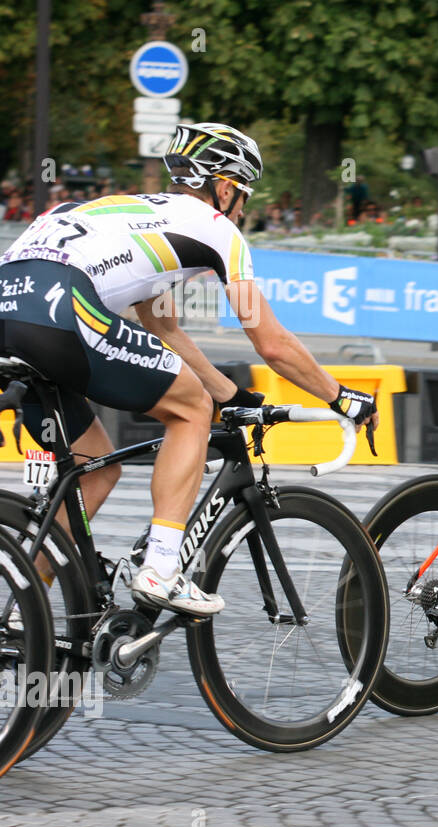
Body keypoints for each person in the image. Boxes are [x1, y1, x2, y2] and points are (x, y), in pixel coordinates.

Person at [0, 122, 378, 615]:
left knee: (96, 469)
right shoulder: (219, 230)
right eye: (243, 195)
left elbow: (161, 326)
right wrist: (341, 397)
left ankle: (21, 615)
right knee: (189, 409)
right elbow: (272, 344)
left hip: (11, 312)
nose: (243, 208)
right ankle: (161, 567)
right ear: (224, 188)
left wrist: (227, 392)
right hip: (60, 310)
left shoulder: (134, 213)